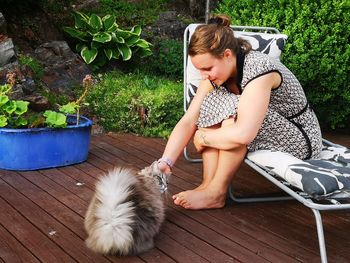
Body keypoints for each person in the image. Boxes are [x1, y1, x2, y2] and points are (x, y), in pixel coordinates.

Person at [157, 14, 322, 210]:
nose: (204, 76)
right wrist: (166, 161)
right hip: (263, 128)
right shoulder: (216, 76)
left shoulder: (260, 69)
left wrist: (203, 137)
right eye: (200, 70)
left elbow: (244, 133)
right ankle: (207, 186)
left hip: (300, 138)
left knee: (232, 115)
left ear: (227, 55)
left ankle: (216, 192)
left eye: (208, 68)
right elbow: (189, 119)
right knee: (212, 101)